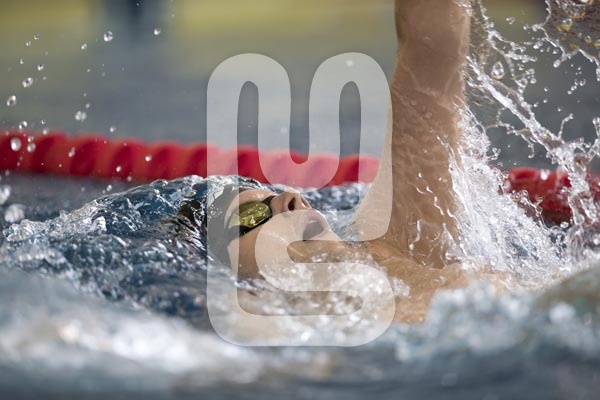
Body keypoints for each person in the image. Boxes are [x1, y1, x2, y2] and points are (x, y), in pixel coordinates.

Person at [179, 0, 486, 323]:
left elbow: (432, 47)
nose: (292, 199)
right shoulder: (265, 332)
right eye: (252, 215)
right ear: (222, 274)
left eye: (273, 197)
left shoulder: (407, 240)